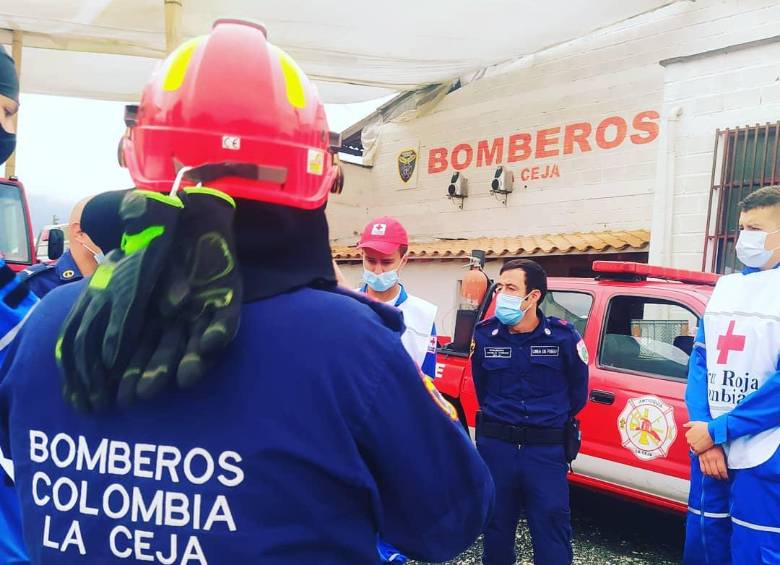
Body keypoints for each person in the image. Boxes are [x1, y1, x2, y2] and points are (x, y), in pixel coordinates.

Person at [0, 19, 494, 564]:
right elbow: (450, 522)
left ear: (139, 162)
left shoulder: (51, 322)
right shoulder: (346, 347)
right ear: (317, 178)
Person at [684, 185, 780, 565]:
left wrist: (719, 431)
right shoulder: (726, 287)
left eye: (755, 229)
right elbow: (700, 363)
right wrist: (705, 433)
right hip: (711, 449)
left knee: (756, 553)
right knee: (705, 546)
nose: (744, 239)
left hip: (766, 452)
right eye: (742, 228)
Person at [472, 259, 588, 565]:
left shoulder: (563, 337)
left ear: (533, 296)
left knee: (552, 529)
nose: (501, 294)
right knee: (495, 528)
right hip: (498, 449)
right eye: (500, 287)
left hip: (546, 451)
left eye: (511, 288)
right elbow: (481, 387)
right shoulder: (485, 335)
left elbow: (578, 392)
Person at [357, 216, 438, 378]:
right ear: (362, 256)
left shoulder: (423, 316)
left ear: (403, 261)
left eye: (386, 262)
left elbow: (427, 383)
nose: (377, 271)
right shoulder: (345, 306)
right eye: (370, 261)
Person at [22, 190, 128, 298]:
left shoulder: (125, 282)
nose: (123, 238)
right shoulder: (35, 285)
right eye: (114, 229)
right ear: (80, 233)